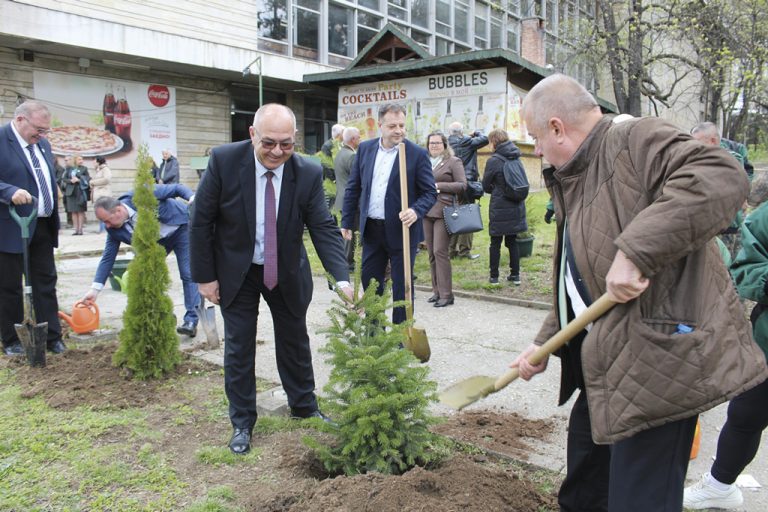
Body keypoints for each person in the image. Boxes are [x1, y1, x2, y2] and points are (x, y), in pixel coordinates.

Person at [510, 74, 768, 512]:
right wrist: (544, 342)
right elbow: (580, 276)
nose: (536, 151)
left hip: (658, 370)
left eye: (536, 138)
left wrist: (635, 251)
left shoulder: (634, 138)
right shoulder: (578, 175)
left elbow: (720, 176)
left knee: (638, 502)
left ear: (557, 127)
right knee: (584, 495)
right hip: (606, 366)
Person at [189, 103, 353, 455]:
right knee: (239, 345)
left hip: (285, 268)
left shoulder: (307, 171)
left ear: (295, 139)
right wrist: (205, 278)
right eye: (268, 143)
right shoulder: (224, 161)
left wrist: (342, 280)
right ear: (252, 134)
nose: (277, 151)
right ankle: (242, 422)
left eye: (286, 144)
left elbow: (322, 227)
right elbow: (200, 221)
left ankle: (304, 406)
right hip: (237, 269)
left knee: (295, 339)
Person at [683, 173, 768, 510]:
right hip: (767, 344)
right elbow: (747, 266)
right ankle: (720, 485)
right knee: (746, 414)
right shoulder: (764, 218)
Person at [340, 103, 437, 325]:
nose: (398, 130)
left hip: (402, 231)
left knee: (403, 287)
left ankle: (401, 335)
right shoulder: (365, 149)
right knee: (371, 283)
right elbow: (354, 187)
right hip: (372, 229)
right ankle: (375, 334)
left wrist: (416, 210)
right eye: (392, 126)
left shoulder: (416, 154)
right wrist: (347, 221)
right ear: (380, 125)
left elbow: (430, 192)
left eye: (402, 125)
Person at [82, 185, 201, 337]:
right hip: (157, 242)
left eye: (107, 221)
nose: (107, 226)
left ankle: (191, 320)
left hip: (180, 228)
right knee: (145, 275)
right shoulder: (113, 230)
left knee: (187, 273)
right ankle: (164, 315)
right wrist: (95, 289)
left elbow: (176, 188)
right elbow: (108, 257)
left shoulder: (141, 195)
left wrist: (192, 199)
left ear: (118, 211)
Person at [0, 100, 66, 355]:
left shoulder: (42, 144)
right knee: (9, 285)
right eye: (39, 129)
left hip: (42, 225)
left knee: (45, 282)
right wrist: (8, 191)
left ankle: (52, 337)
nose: (42, 135)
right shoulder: (2, 139)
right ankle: (12, 340)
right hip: (11, 225)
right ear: (20, 120)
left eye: (46, 130)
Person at [691, 122, 748, 261]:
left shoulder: (731, 159)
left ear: (713, 141)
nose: (693, 146)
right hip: (709, 225)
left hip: (727, 226)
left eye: (697, 142)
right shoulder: (701, 158)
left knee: (726, 263)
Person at [423, 131, 466, 307]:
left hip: (443, 211)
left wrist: (438, 186)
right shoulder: (424, 162)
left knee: (440, 251)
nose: (434, 146)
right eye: (431, 143)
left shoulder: (453, 162)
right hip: (425, 211)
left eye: (437, 143)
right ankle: (437, 291)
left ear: (445, 145)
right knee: (431, 253)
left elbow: (462, 185)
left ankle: (447, 294)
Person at [481, 129, 527, 286]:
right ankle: (515, 275)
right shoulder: (516, 157)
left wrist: (496, 189)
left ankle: (494, 277)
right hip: (516, 205)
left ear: (493, 141)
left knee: (495, 243)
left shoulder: (493, 161)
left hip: (499, 206)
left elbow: (485, 185)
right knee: (512, 242)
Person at [447, 121, 488, 260]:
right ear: (461, 132)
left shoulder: (445, 143)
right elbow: (485, 138)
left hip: (450, 183)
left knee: (453, 216)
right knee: (467, 217)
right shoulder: (467, 141)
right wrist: (476, 133)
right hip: (467, 183)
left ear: (450, 132)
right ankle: (464, 251)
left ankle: (450, 251)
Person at [333, 126, 361, 271]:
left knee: (346, 231)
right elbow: (356, 179)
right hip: (350, 200)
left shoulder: (340, 154)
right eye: (359, 137)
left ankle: (345, 260)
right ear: (353, 139)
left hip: (341, 198)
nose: (360, 140)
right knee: (350, 233)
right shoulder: (351, 156)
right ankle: (347, 262)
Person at [60, 154, 90, 235]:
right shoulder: (69, 169)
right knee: (73, 211)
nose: (81, 161)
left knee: (80, 211)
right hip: (70, 192)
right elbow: (64, 179)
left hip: (80, 191)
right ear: (75, 160)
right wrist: (70, 181)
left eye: (82, 159)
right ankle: (76, 229)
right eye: (79, 159)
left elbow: (87, 178)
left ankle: (80, 230)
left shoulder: (84, 168)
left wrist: (79, 180)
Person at [90, 156, 112, 233]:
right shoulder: (98, 170)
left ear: (98, 162)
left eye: (94, 161)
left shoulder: (105, 169)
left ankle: (105, 230)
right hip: (99, 194)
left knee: (104, 212)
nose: (93, 163)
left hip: (103, 194)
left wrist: (93, 182)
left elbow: (107, 179)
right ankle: (102, 229)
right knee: (100, 212)